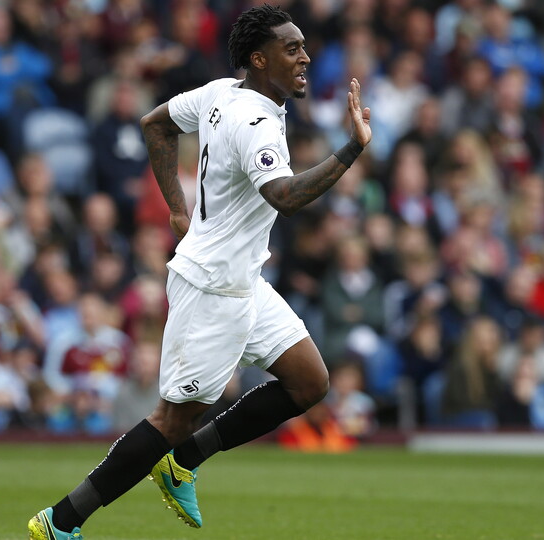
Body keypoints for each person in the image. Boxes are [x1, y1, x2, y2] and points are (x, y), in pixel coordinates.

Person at [27, 5, 372, 539]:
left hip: (243, 281)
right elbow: (284, 196)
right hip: (212, 289)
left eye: (304, 46)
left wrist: (178, 210)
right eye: (292, 48)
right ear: (260, 60)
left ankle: (183, 461)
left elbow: (156, 124)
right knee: (169, 420)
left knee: (309, 381)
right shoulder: (256, 120)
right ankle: (59, 522)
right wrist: (350, 150)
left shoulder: (220, 92)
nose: (305, 56)